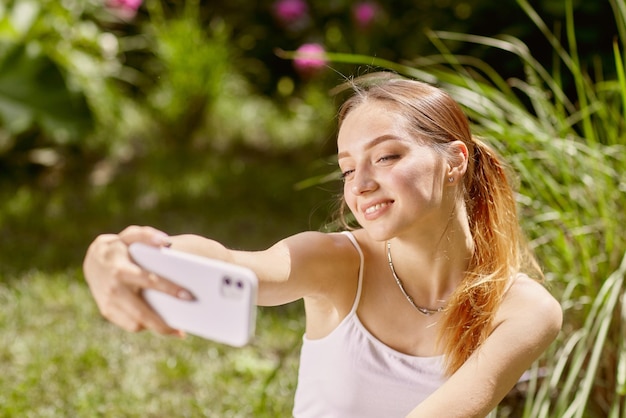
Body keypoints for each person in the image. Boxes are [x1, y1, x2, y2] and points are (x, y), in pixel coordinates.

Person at [83, 72, 562, 417]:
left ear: (455, 161)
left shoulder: (523, 309)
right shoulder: (335, 263)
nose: (362, 184)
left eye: (387, 156)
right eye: (349, 168)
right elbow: (236, 266)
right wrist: (126, 252)